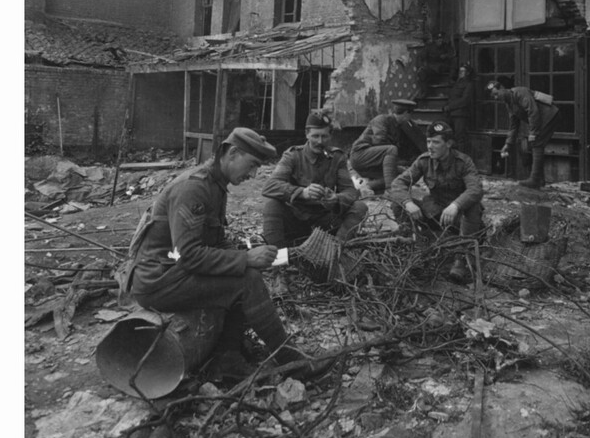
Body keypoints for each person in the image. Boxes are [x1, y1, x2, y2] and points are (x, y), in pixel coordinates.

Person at [128, 127, 333, 382]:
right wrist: (246, 259)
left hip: (173, 273)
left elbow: (213, 242)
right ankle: (293, 361)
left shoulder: (216, 185)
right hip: (158, 281)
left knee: (245, 272)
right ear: (233, 153)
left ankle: (228, 360)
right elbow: (188, 255)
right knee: (246, 279)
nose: (254, 174)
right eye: (252, 165)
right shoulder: (194, 188)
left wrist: (250, 255)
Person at [389, 120, 484, 283]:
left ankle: (460, 259)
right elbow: (398, 183)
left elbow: (475, 189)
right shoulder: (424, 161)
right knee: (398, 203)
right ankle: (415, 248)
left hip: (458, 219)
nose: (430, 146)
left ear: (448, 143)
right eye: (428, 141)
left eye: (436, 142)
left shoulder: (463, 162)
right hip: (435, 214)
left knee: (474, 206)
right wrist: (407, 202)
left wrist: (456, 205)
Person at [262, 111, 368, 249]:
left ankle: (335, 251)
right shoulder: (293, 156)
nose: (320, 141)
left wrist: (336, 199)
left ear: (330, 135)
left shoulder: (337, 157)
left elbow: (350, 191)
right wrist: (302, 192)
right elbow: (270, 186)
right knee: (271, 204)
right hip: (297, 219)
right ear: (307, 134)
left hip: (326, 221)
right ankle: (276, 259)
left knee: (360, 207)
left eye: (324, 136)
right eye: (315, 136)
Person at [486, 80, 560, 189]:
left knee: (536, 143)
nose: (496, 98)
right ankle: (539, 180)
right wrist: (508, 144)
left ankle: (535, 180)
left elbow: (533, 111)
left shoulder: (519, 92)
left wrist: (533, 133)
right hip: (541, 119)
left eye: (496, 94)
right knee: (536, 144)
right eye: (494, 97)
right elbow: (513, 126)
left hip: (549, 116)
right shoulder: (509, 105)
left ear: (502, 88)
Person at [349, 98, 418, 193]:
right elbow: (380, 141)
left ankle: (367, 187)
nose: (410, 118)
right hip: (360, 156)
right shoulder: (382, 119)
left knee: (403, 175)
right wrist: (394, 161)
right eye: (410, 114)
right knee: (392, 150)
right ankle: (391, 190)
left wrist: (399, 164)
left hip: (373, 161)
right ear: (406, 113)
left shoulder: (397, 126)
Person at [416, 32, 455, 98]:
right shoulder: (429, 47)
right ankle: (425, 92)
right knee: (421, 72)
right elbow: (421, 56)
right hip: (432, 68)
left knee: (454, 61)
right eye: (438, 39)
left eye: (441, 39)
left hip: (443, 67)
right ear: (435, 40)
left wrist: (446, 55)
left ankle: (450, 79)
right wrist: (421, 66)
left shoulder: (445, 46)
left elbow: (452, 53)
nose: (440, 40)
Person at [444, 64, 474, 149]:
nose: (460, 73)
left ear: (467, 73)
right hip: (451, 114)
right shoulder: (457, 83)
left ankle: (461, 159)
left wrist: (450, 107)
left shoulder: (469, 84)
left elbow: (465, 100)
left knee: (460, 138)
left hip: (461, 114)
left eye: (462, 71)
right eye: (459, 71)